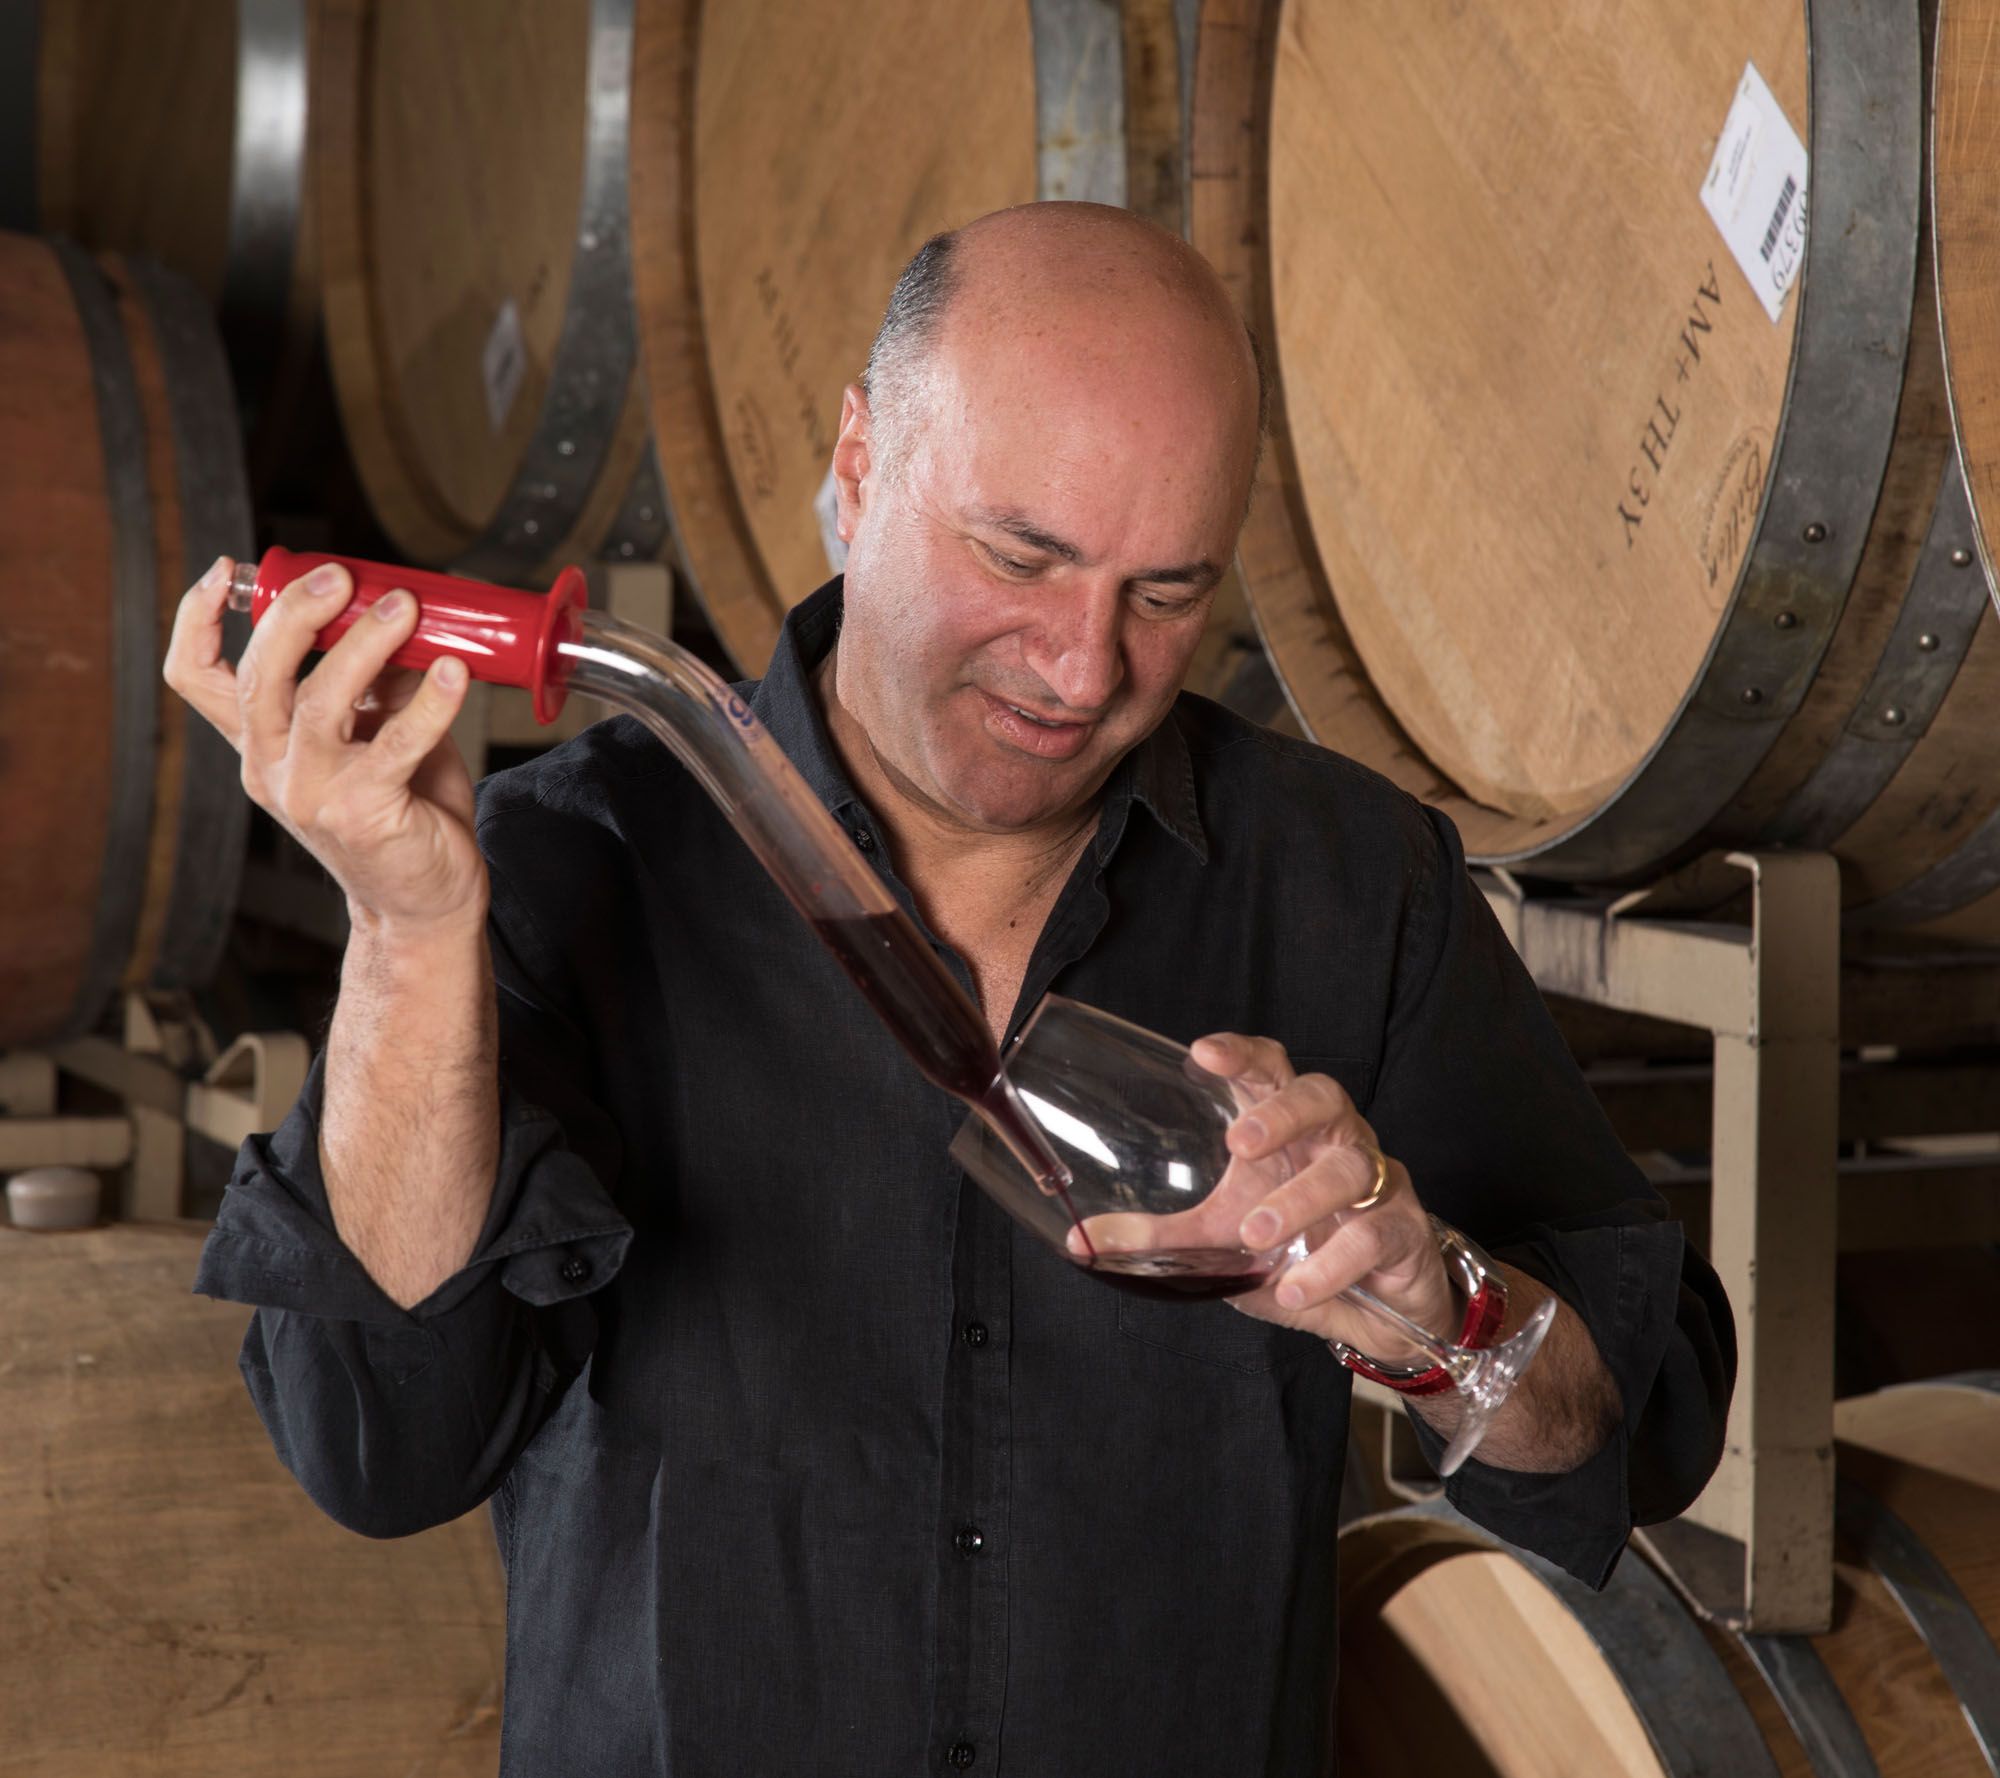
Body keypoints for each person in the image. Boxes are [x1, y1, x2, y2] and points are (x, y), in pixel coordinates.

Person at [165, 202, 1732, 1776]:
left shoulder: (1347, 881)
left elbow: (1641, 1416)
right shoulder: (570, 865)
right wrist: (410, 933)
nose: (1082, 668)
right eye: (1021, 557)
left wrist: (1439, 1306)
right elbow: (377, 1441)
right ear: (858, 467)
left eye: (1166, 594)